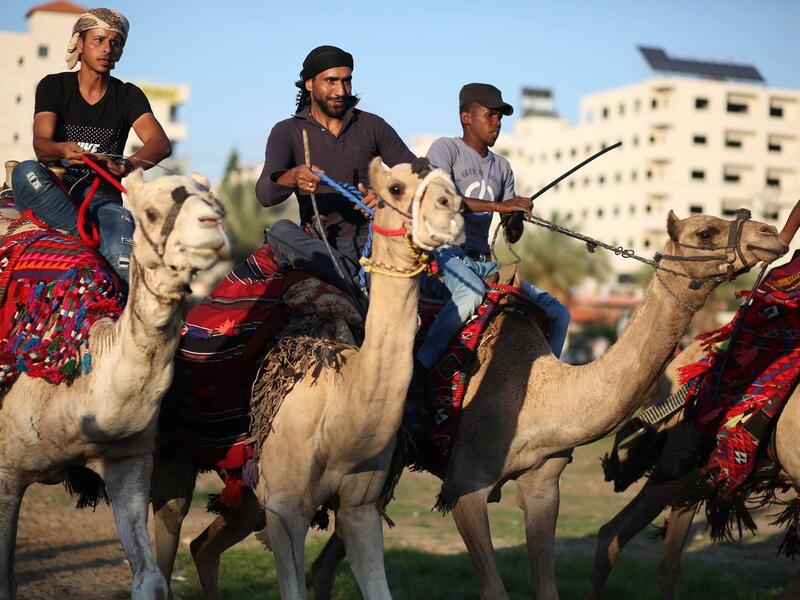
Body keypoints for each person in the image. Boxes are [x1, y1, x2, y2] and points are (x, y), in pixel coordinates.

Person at [415, 83, 571, 372]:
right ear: (467, 117)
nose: (497, 123)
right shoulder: (446, 149)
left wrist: (516, 218)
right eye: (491, 115)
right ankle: (421, 365)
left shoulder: (502, 167)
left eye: (500, 117)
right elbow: (441, 199)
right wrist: (502, 206)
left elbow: (511, 232)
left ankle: (541, 377)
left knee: (558, 313)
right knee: (471, 293)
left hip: (484, 262)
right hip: (444, 255)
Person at [11, 8, 172, 282]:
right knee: (24, 173)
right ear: (80, 43)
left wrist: (126, 165)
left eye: (115, 43)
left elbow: (160, 144)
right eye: (98, 40)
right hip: (54, 188)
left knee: (123, 265)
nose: (107, 48)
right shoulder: (54, 86)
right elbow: (42, 145)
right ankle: (84, 236)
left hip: (104, 200)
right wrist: (62, 150)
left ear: (120, 52)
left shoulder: (128, 95)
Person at [256, 45, 415, 302]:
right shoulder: (286, 131)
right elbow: (264, 194)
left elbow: (416, 173)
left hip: (371, 237)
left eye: (346, 81)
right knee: (279, 231)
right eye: (330, 81)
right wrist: (292, 177)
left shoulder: (372, 125)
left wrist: (386, 195)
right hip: (319, 241)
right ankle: (351, 280)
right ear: (309, 83)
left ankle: (348, 282)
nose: (340, 91)